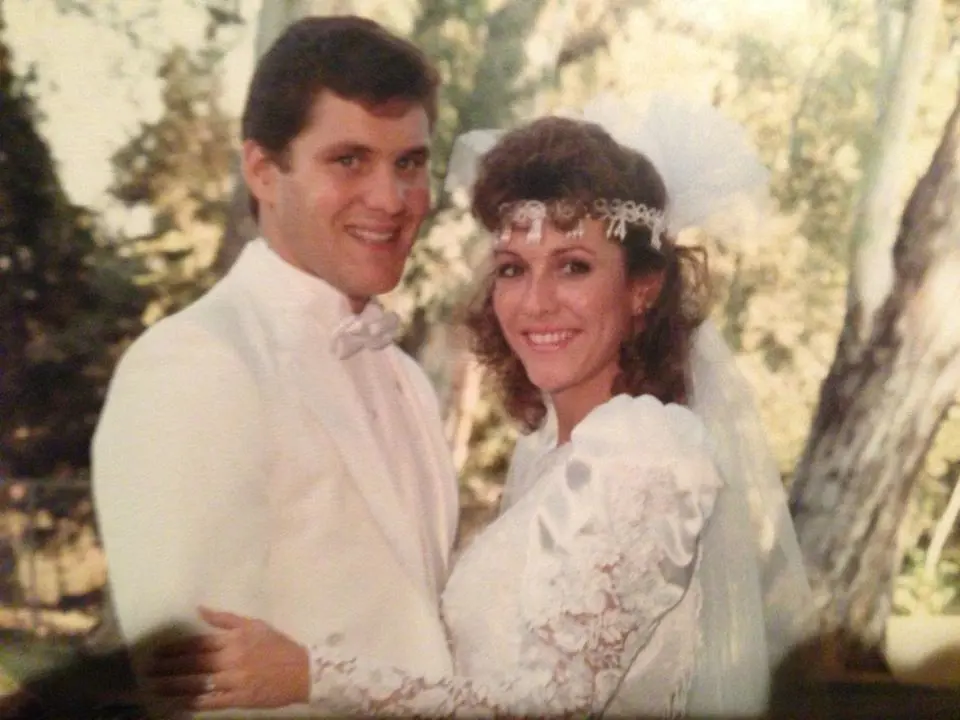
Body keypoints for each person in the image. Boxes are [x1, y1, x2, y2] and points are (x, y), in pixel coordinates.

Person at [148, 96, 815, 717]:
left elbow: (551, 701)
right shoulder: (554, 453)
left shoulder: (646, 454)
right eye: (512, 268)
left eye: (574, 265)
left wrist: (312, 675)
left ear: (643, 287)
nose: (536, 301)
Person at [91, 15, 459, 716]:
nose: (390, 199)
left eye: (408, 163)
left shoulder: (406, 378)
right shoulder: (193, 364)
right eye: (349, 160)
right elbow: (198, 688)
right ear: (262, 170)